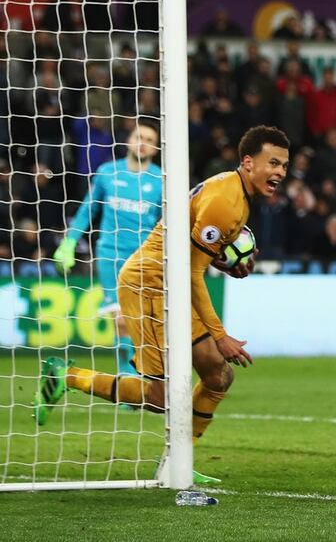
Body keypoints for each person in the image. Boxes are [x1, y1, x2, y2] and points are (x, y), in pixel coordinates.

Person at [35, 126, 291, 485]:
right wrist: (220, 335)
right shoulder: (226, 202)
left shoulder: (232, 191)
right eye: (273, 163)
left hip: (170, 284)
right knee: (160, 397)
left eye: (284, 165)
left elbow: (191, 255)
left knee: (218, 375)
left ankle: (178, 462)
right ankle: (65, 376)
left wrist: (223, 262)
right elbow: (191, 275)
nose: (280, 172)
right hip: (150, 285)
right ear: (248, 162)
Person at [53, 121, 163, 381]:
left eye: (149, 139)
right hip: (110, 254)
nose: (143, 142)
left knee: (143, 319)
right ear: (129, 140)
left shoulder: (160, 180)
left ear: (156, 148)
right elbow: (87, 210)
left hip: (145, 257)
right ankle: (127, 379)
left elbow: (165, 224)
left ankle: (146, 372)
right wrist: (69, 243)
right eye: (139, 136)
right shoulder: (107, 173)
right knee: (122, 317)